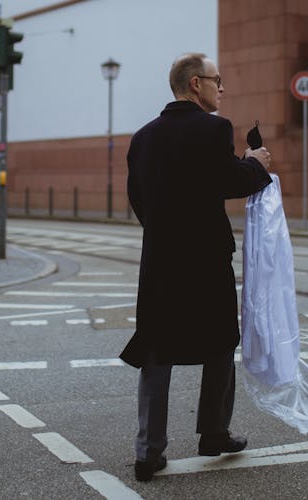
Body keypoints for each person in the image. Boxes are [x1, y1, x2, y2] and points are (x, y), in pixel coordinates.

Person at [120, 52, 272, 482]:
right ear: (194, 85)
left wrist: (165, 231)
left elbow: (139, 199)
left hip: (161, 261)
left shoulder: (142, 137)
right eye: (216, 80)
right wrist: (255, 165)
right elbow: (229, 181)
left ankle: (148, 451)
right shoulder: (214, 128)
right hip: (205, 260)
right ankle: (214, 434)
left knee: (157, 347)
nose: (221, 88)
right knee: (220, 342)